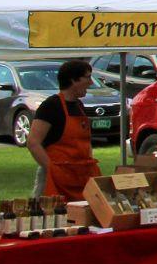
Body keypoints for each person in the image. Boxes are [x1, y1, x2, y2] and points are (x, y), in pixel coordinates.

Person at [25, 60, 102, 201]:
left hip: (80, 175)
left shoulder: (78, 105)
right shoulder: (51, 106)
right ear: (73, 79)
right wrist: (52, 169)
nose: (91, 82)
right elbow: (33, 143)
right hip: (55, 178)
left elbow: (85, 142)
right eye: (88, 77)